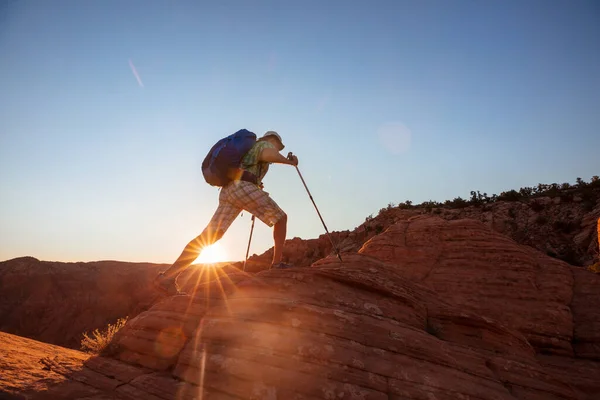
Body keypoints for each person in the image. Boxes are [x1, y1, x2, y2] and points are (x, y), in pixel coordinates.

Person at [154, 131, 299, 295]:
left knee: (209, 236)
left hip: (229, 191)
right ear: (272, 140)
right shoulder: (263, 144)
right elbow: (268, 154)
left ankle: (167, 276)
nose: (278, 149)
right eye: (278, 146)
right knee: (281, 218)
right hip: (243, 188)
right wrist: (289, 162)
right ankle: (277, 263)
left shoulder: (248, 152)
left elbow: (247, 170)